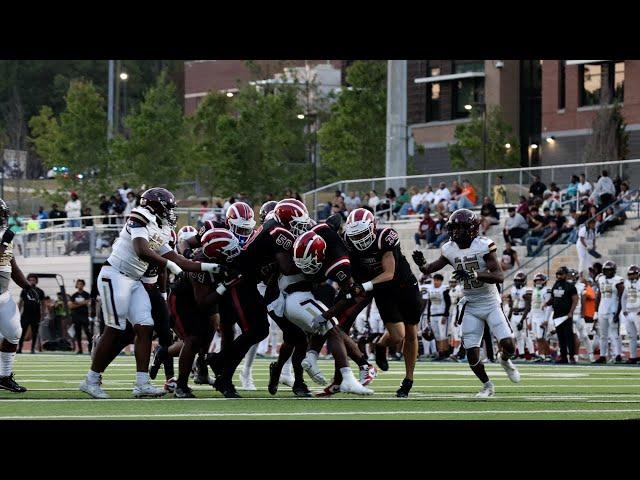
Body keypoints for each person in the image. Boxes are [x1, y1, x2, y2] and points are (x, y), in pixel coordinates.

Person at [79, 188, 222, 399]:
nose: (171, 211)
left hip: (134, 280)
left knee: (145, 326)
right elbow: (141, 249)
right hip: (115, 275)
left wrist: (210, 268)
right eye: (168, 206)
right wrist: (169, 266)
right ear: (155, 204)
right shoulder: (140, 214)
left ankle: (142, 383)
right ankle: (91, 380)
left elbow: (180, 259)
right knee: (115, 327)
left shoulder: (158, 227)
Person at [412, 209, 520, 398]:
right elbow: (432, 267)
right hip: (470, 303)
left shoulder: (484, 246)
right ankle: (487, 386)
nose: (454, 232)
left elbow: (499, 276)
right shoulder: (449, 248)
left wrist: (475, 274)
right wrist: (422, 265)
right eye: (453, 228)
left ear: (470, 229)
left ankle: (504, 360)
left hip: (490, 301)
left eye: (458, 228)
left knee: (509, 344)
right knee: (471, 353)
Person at [343, 208, 422, 397]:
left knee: (410, 333)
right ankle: (380, 345)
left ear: (372, 228)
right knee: (397, 337)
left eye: (363, 233)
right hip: (383, 291)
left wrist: (364, 285)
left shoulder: (385, 237)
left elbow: (389, 273)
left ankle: (408, 379)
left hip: (404, 286)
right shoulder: (348, 241)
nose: (360, 238)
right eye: (356, 235)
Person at [0, 199, 39, 392]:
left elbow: (11, 265)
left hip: (3, 296)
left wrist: (27, 287)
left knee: (14, 333)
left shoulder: (5, 236)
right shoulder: (5, 237)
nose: (3, 217)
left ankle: (4, 376)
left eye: (3, 214)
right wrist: (4, 240)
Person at [593, 261, 624, 364]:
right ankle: (602, 355)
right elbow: (598, 296)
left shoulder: (618, 280)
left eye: (610, 270)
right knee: (603, 335)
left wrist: (618, 312)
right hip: (602, 310)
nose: (608, 272)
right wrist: (596, 311)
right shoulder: (600, 279)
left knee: (614, 334)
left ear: (614, 270)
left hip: (613, 310)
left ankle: (618, 355)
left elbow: (621, 298)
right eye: (606, 270)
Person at [546, 266, 578, 364]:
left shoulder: (570, 286)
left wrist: (570, 312)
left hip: (566, 315)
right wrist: (546, 303)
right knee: (561, 337)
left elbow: (575, 299)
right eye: (558, 274)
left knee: (569, 337)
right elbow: (553, 298)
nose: (559, 276)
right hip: (557, 314)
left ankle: (572, 356)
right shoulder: (555, 285)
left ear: (566, 274)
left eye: (561, 274)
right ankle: (563, 356)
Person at [505, 272, 533, 359]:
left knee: (526, 336)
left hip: (523, 315)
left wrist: (522, 320)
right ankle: (521, 354)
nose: (517, 282)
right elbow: (512, 305)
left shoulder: (526, 290)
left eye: (520, 280)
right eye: (516, 280)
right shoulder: (513, 289)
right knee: (517, 336)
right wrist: (509, 317)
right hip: (514, 315)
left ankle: (532, 354)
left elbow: (528, 307)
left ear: (524, 281)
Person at [424, 273, 451, 360]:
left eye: (437, 280)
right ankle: (440, 353)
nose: (435, 282)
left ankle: (445, 353)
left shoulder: (444, 290)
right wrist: (428, 317)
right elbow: (429, 303)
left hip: (441, 315)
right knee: (437, 335)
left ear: (441, 281)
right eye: (434, 280)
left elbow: (448, 303)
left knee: (443, 335)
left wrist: (445, 315)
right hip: (433, 315)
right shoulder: (430, 289)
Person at [17, 274, 45, 354]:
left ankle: (32, 349)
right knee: (22, 332)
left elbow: (43, 304)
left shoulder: (40, 291)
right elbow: (21, 302)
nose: (32, 281)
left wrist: (43, 314)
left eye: (33, 280)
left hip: (36, 315)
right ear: (27, 281)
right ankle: (20, 348)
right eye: (30, 280)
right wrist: (18, 313)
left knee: (34, 332)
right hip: (25, 315)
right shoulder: (24, 290)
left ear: (36, 281)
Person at [530, 273, 553, 362]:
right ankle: (541, 354)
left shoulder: (546, 290)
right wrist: (530, 319)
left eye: (540, 280)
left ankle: (547, 354)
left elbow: (549, 306)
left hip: (542, 316)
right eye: (536, 281)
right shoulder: (534, 290)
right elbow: (532, 305)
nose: (538, 282)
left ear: (544, 281)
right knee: (537, 337)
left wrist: (546, 319)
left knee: (541, 337)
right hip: (535, 316)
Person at [621, 265, 640, 364]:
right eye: (630, 274)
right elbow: (624, 297)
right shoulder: (627, 283)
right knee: (631, 336)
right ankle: (633, 357)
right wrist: (624, 309)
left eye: (633, 274)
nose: (631, 276)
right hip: (629, 312)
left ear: (637, 274)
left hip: (638, 312)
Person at [69, 279, 92, 354]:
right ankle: (80, 349)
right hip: (76, 316)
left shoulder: (86, 294)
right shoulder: (74, 295)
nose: (80, 285)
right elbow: (71, 306)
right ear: (76, 285)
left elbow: (88, 303)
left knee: (87, 332)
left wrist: (77, 303)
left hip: (84, 316)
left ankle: (90, 348)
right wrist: (82, 303)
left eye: (81, 284)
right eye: (78, 284)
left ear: (83, 285)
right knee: (78, 334)